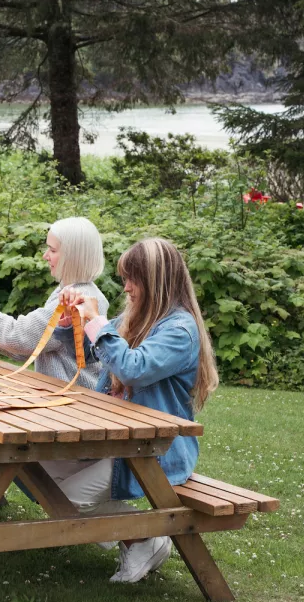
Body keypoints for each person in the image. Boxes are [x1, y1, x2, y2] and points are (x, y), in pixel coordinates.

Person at [60, 238, 219, 583]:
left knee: (70, 500)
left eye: (134, 279)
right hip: (117, 440)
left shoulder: (179, 331)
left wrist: (97, 323)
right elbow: (95, 348)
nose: (127, 288)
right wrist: (72, 320)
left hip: (153, 450)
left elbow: (133, 367)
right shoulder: (138, 316)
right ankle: (137, 538)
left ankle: (144, 537)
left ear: (157, 281)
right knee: (40, 474)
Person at [0, 216, 109, 390]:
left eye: (52, 250)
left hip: (76, 405)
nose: (45, 256)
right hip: (67, 399)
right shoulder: (75, 291)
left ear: (72, 256)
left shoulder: (76, 299)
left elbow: (16, 337)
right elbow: (28, 348)